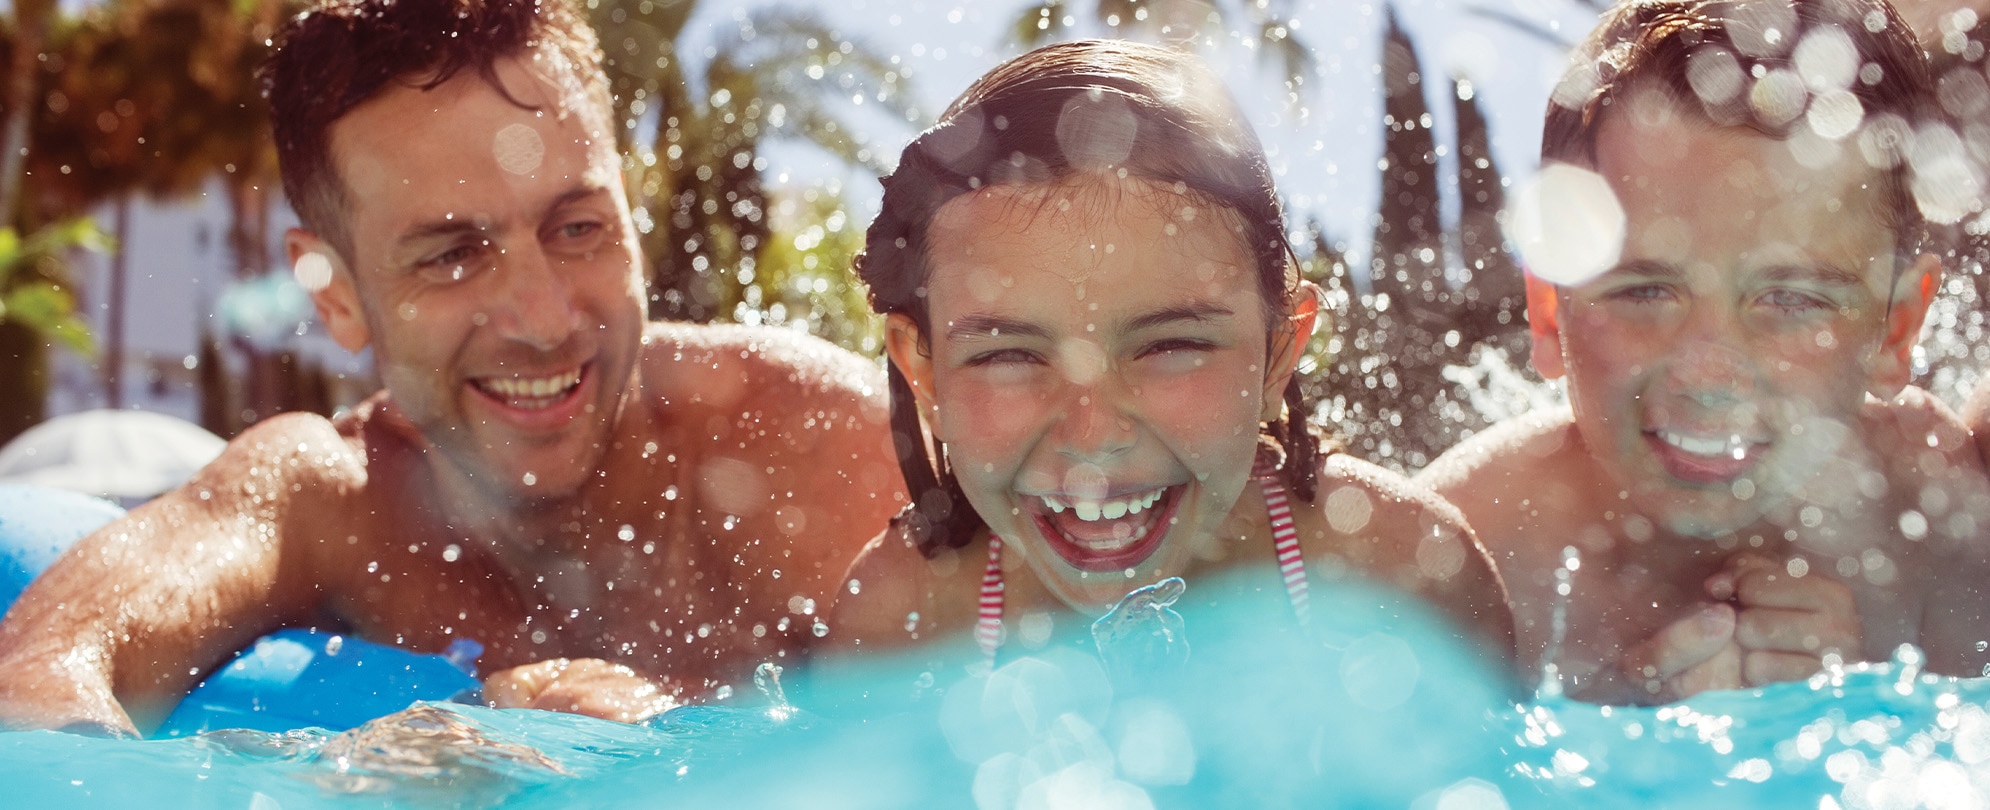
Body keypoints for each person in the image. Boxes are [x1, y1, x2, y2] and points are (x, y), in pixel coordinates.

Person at [0, 0, 904, 736]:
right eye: (451, 254)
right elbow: (42, 672)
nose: (546, 320)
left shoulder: (815, 448)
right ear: (338, 295)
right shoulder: (328, 500)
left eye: (577, 227)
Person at [825, 39, 1515, 674]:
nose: (1091, 434)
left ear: (1278, 354)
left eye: (1169, 345)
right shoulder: (904, 625)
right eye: (1010, 355)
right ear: (924, 373)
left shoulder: (1397, 575)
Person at [1419, 0, 1990, 704]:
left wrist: (1859, 700)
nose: (1707, 372)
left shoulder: (1944, 523)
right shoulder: (1459, 563)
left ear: (1896, 329)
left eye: (1793, 301)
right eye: (1645, 291)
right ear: (1548, 310)